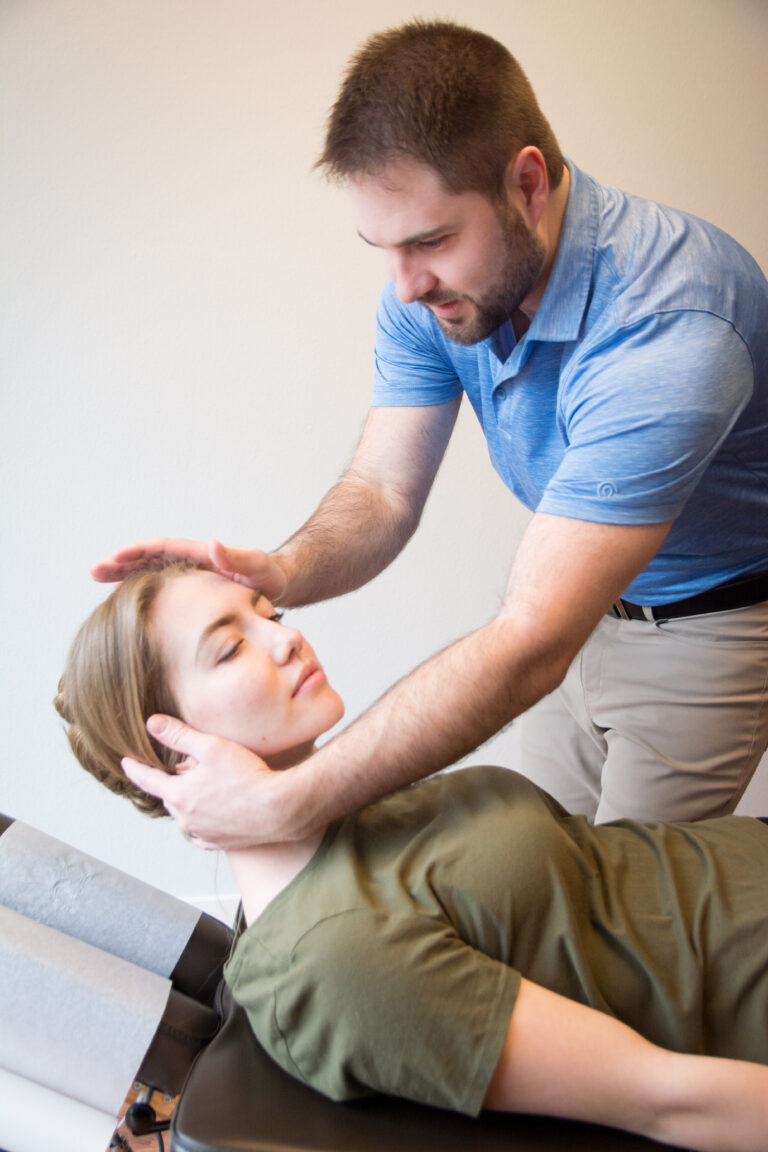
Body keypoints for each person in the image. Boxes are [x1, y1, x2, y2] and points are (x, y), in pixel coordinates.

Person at [92, 20, 768, 843]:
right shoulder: (432, 293)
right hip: (581, 605)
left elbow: (528, 643)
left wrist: (291, 800)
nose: (405, 286)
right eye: (381, 247)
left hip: (708, 624)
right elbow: (381, 491)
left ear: (527, 184)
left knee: (627, 926)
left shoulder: (671, 327)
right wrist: (280, 570)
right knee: (539, 858)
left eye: (431, 242)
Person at [57, 561, 768, 1151]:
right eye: (229, 647)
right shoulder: (330, 960)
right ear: (165, 754)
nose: (287, 639)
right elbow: (668, 1100)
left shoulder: (348, 811)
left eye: (265, 615)